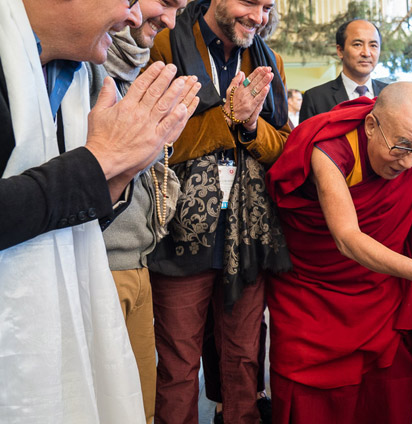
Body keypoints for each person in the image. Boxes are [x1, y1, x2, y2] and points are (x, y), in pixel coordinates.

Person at [0, 0, 199, 421]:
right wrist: (99, 163)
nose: (132, 16)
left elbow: (64, 214)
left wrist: (122, 171)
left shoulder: (71, 72)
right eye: (127, 0)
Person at [266, 82, 412, 424]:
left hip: (381, 299)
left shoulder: (411, 150)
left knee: (382, 401)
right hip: (315, 300)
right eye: (402, 147)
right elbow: (347, 238)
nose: (410, 162)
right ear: (370, 126)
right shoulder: (329, 149)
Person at [146, 0, 292, 422]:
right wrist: (227, 116)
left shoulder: (269, 60)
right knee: (177, 367)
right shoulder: (166, 45)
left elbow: (284, 145)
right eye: (250, 3)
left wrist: (249, 126)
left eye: (266, 7)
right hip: (179, 233)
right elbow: (155, 142)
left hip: (246, 235)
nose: (259, 17)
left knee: (244, 362)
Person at [84, 0, 188, 422]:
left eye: (180, 8)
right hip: (96, 266)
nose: (170, 21)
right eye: (165, 2)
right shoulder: (86, 66)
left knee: (140, 405)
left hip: (138, 264)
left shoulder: (132, 70)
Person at [298, 19, 388, 122]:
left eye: (373, 45)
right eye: (357, 44)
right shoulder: (316, 98)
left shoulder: (390, 95)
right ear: (340, 51)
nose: (366, 53)